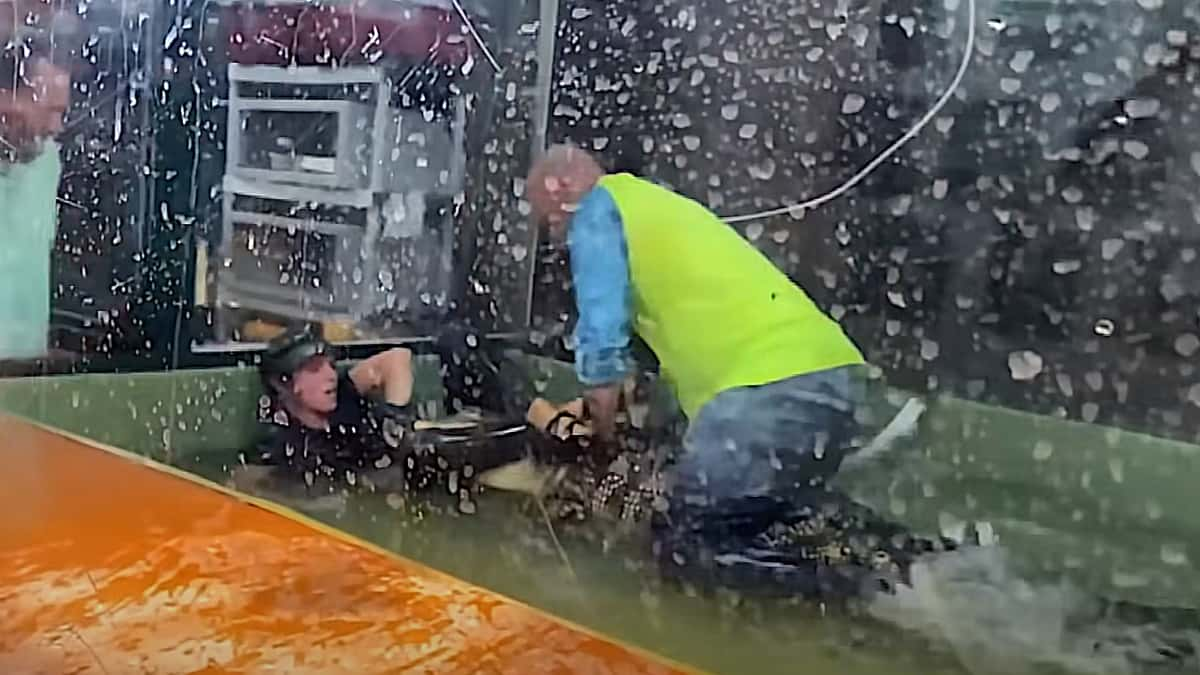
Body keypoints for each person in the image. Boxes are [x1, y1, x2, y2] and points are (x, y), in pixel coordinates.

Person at [526, 144, 892, 598]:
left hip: (766, 393)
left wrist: (603, 442)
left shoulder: (598, 214)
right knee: (762, 518)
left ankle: (864, 593)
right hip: (829, 382)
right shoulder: (655, 205)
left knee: (686, 548)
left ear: (559, 189)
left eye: (550, 220)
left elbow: (602, 344)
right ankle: (902, 558)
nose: (555, 235)